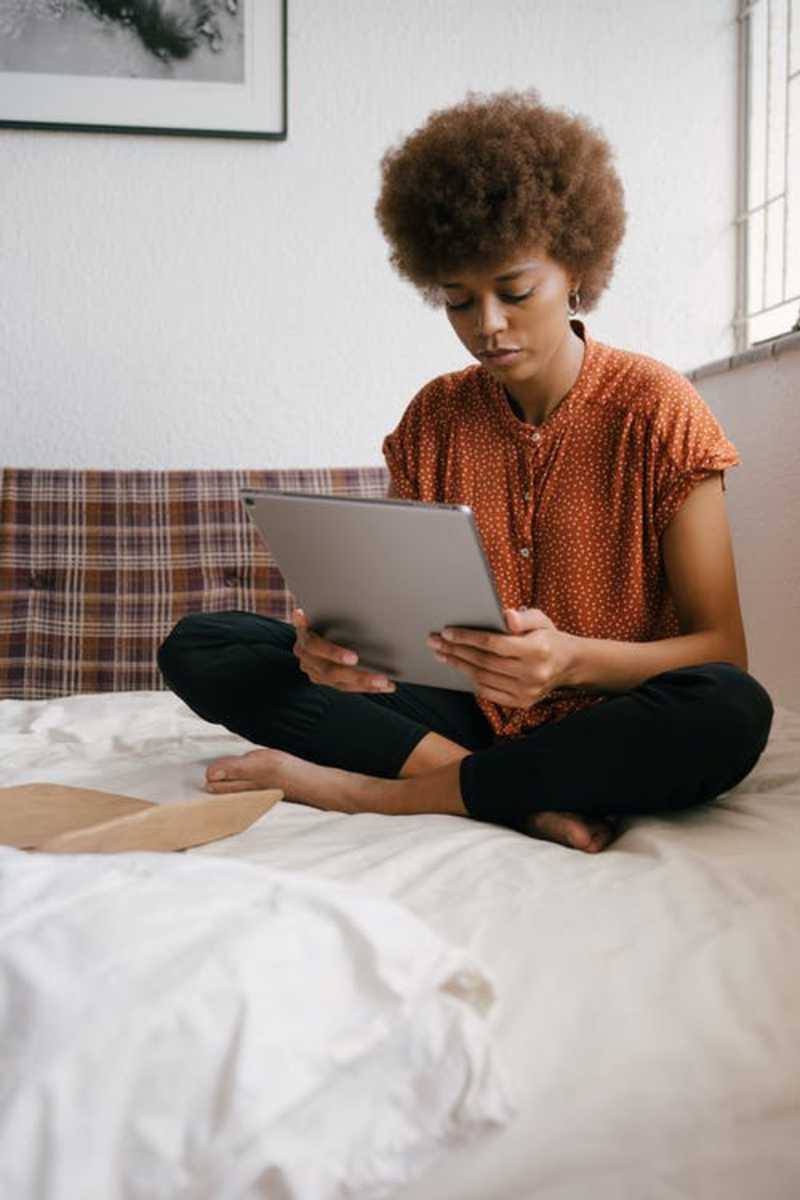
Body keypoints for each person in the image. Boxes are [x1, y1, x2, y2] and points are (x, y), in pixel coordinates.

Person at [157, 89, 774, 853]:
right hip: (462, 713)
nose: (487, 325)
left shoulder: (659, 410)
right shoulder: (434, 417)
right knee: (204, 645)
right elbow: (398, 625)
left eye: (515, 292)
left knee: (730, 708)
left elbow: (723, 649)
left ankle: (374, 793)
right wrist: (338, 655)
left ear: (575, 269)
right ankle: (503, 788)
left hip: (612, 715)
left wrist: (569, 661)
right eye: (457, 301)